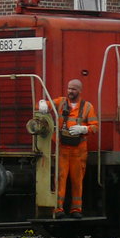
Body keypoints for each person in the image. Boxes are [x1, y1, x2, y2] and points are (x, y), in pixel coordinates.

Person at [49, 78, 98, 218]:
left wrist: (83, 129)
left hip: (78, 151)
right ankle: (58, 209)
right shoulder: (60, 102)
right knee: (60, 178)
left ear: (80, 91)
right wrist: (42, 105)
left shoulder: (88, 107)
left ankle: (76, 209)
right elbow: (45, 105)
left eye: (73, 89)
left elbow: (95, 127)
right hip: (62, 149)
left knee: (77, 181)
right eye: (69, 88)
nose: (70, 91)